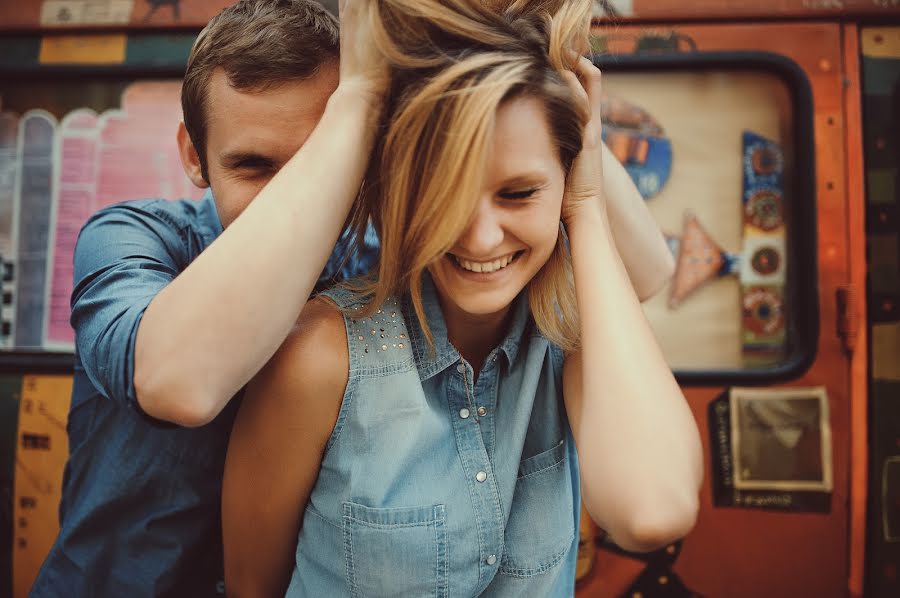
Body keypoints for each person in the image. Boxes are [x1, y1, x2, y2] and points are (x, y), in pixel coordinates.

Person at [33, 0, 674, 595]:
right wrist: (361, 94)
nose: (293, 199)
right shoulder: (132, 239)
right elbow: (181, 383)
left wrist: (559, 89)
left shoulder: (387, 265)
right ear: (193, 157)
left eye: (322, 158)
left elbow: (644, 274)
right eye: (254, 167)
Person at [222, 1, 703, 597]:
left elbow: (652, 510)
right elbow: (251, 586)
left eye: (520, 193)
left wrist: (587, 207)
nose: (480, 238)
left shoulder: (570, 335)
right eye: (444, 193)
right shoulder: (320, 355)